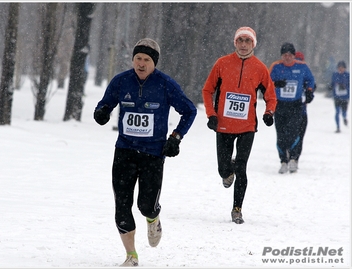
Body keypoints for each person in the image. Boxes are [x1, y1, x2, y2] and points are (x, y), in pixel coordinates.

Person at [94, 38, 197, 266]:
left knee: (145, 205)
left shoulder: (165, 84)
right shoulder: (121, 81)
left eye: (146, 60)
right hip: (125, 151)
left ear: (154, 63)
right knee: (122, 205)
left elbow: (189, 111)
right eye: (138, 59)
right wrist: (101, 112)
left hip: (153, 153)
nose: (141, 64)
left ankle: (153, 217)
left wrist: (176, 137)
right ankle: (131, 256)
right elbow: (105, 104)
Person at [202, 27, 277, 224]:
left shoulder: (260, 68)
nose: (244, 44)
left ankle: (237, 209)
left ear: (253, 44)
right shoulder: (222, 63)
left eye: (248, 41)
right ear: (235, 42)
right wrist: (211, 114)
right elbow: (207, 90)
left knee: (242, 168)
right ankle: (228, 170)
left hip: (247, 127)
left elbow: (271, 96)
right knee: (223, 171)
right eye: (240, 40)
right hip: (224, 126)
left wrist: (269, 113)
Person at [269, 43, 315, 174]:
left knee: (294, 132)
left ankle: (294, 159)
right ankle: (283, 161)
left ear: (294, 56)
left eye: (289, 55)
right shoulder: (276, 67)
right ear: (281, 56)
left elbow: (310, 80)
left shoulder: (302, 67)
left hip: (295, 105)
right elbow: (265, 83)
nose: (287, 58)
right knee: (281, 134)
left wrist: (309, 91)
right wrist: (275, 84)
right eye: (284, 55)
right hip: (280, 105)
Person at [293, 51, 316, 167]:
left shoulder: (306, 73)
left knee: (299, 136)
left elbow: (313, 85)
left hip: (302, 112)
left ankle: (295, 158)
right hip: (289, 111)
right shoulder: (287, 73)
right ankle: (290, 156)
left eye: (300, 61)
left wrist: (309, 92)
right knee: (289, 136)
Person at [330, 60, 350, 133]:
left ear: (345, 68)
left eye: (342, 68)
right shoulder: (335, 75)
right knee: (337, 112)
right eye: (339, 67)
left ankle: (344, 118)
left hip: (345, 97)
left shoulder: (348, 75)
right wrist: (330, 87)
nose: (340, 69)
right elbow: (332, 84)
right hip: (337, 97)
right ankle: (338, 127)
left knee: (344, 112)